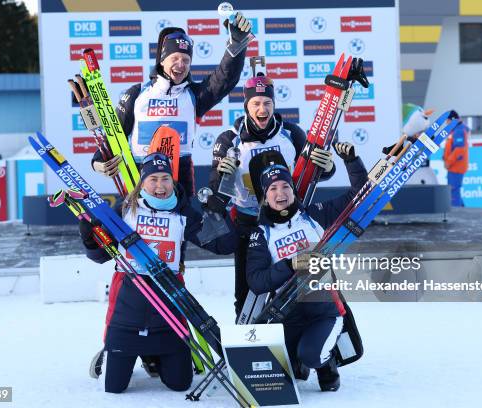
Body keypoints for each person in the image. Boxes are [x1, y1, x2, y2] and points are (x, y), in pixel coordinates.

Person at [79, 153, 238, 393]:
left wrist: (218, 214)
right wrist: (88, 235)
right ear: (142, 182)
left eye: (165, 178)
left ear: (173, 181)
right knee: (114, 387)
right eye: (153, 179)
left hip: (169, 313)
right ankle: (111, 351)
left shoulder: (184, 215)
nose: (160, 186)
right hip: (127, 313)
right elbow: (101, 256)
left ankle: (152, 355)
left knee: (180, 384)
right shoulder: (125, 210)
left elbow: (224, 245)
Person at [208, 72, 336, 317]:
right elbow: (216, 192)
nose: (262, 108)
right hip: (248, 223)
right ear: (246, 106)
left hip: (287, 222)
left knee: (298, 286)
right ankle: (249, 342)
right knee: (248, 293)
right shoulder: (229, 140)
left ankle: (301, 335)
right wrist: (221, 175)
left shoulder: (291, 133)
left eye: (267, 103)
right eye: (255, 103)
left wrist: (328, 167)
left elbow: (317, 172)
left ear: (274, 105)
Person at [245, 145, 368, 392]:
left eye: (286, 186)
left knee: (312, 356)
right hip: (288, 313)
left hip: (324, 309)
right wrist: (289, 264)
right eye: (273, 188)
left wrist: (351, 161)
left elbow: (360, 195)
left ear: (293, 191)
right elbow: (257, 281)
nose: (280, 193)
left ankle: (326, 361)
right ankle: (302, 357)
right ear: (265, 196)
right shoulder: (261, 234)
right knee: (284, 371)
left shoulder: (315, 215)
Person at [92, 15, 252, 198]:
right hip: (138, 181)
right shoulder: (137, 94)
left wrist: (237, 45)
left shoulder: (195, 95)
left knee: (183, 226)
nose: (180, 65)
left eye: (186, 60)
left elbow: (225, 78)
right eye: (175, 58)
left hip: (179, 184)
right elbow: (114, 133)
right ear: (162, 60)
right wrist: (98, 161)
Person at [443, 111, 469, 207]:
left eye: (447, 121)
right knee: (454, 190)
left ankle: (456, 212)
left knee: (453, 190)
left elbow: (459, 149)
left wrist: (448, 161)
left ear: (452, 120)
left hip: (456, 166)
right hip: (454, 166)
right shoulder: (456, 130)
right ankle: (462, 208)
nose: (446, 123)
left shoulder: (458, 130)